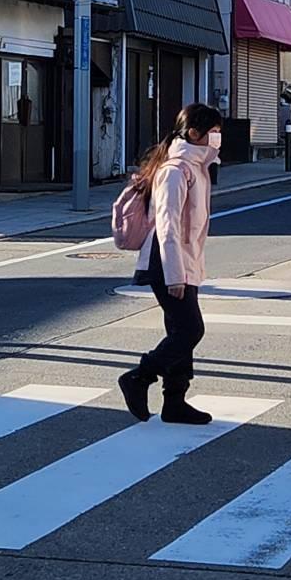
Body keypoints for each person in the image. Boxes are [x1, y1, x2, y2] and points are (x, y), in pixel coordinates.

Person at [116, 103, 223, 425]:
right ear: (194, 133)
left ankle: (175, 402)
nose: (218, 139)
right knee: (190, 330)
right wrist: (176, 274)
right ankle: (139, 376)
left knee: (179, 330)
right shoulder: (175, 171)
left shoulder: (198, 167)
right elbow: (168, 226)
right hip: (165, 261)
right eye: (213, 132)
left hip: (182, 261)